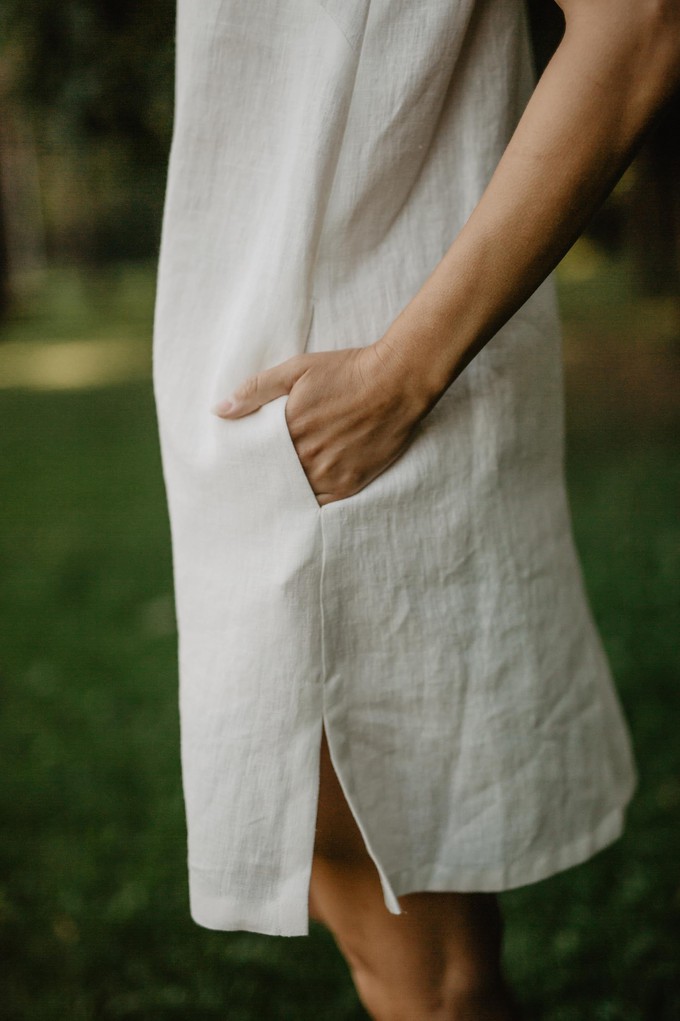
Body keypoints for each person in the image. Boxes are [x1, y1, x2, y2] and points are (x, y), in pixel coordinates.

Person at [151, 1, 680, 1018]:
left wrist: (400, 376)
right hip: (264, 412)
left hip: (358, 412)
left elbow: (636, 24)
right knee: (362, 905)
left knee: (422, 968)